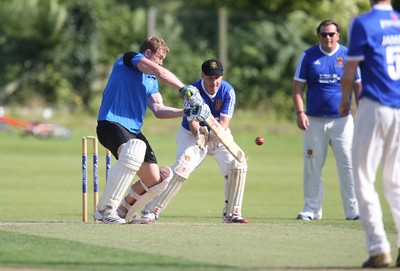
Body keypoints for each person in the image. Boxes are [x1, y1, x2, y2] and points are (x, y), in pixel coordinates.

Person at [94, 36, 209, 224]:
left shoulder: (150, 80)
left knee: (158, 180)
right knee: (132, 152)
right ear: (148, 53)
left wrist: (187, 111)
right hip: (111, 122)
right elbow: (159, 71)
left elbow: (159, 110)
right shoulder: (129, 59)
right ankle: (105, 210)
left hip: (133, 130)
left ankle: (125, 212)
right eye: (160, 57)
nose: (161, 63)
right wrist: (185, 89)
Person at [118, 58, 248, 224]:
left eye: (217, 78)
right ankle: (152, 210)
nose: (214, 82)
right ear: (203, 76)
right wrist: (199, 134)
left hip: (218, 135)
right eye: (210, 78)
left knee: (239, 164)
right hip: (191, 135)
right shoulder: (193, 91)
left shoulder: (227, 91)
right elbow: (192, 122)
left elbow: (223, 123)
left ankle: (232, 213)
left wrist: (214, 136)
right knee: (182, 168)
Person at [339, 0, 400, 268]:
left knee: (363, 176)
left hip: (375, 105)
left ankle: (378, 249)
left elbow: (350, 70)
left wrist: (344, 99)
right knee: (395, 180)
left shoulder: (363, 23)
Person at [292, 19, 361, 221]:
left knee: (348, 164)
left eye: (332, 34)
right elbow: (297, 88)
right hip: (313, 120)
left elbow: (358, 87)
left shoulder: (348, 55)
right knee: (312, 164)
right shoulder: (309, 56)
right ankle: (311, 209)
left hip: (342, 121)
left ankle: (353, 210)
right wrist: (300, 113)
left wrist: (362, 111)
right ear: (319, 36)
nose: (328, 38)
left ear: (338, 35)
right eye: (324, 34)